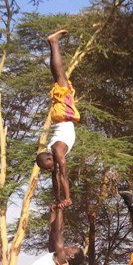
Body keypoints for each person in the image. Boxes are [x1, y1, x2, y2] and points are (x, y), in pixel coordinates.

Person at [35, 29, 80, 209]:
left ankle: (53, 43)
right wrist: (58, 199)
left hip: (63, 114)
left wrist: (67, 198)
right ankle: (53, 43)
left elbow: (63, 175)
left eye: (48, 167)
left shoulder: (58, 152)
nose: (50, 170)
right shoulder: (51, 152)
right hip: (60, 116)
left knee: (60, 76)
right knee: (59, 77)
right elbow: (56, 179)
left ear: (49, 160)